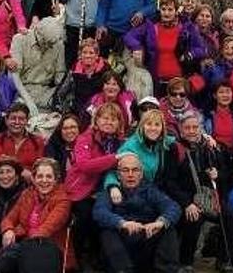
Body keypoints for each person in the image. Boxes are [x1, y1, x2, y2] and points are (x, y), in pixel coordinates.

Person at [93, 153, 181, 273]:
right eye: (125, 170)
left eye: (135, 170)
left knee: (168, 228)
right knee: (107, 232)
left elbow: (173, 207)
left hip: (146, 235)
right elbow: (99, 212)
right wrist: (122, 223)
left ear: (141, 174)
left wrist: (160, 222)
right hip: (121, 240)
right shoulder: (109, 192)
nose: (130, 175)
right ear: (118, 175)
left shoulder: (150, 190)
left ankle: (167, 270)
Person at [65, 102, 125, 267]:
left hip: (103, 188)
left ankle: (101, 258)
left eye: (114, 119)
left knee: (110, 216)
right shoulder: (85, 138)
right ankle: (79, 260)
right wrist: (114, 158)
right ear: (96, 120)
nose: (109, 122)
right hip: (81, 189)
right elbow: (85, 165)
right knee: (84, 217)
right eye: (105, 118)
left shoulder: (120, 142)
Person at [163, 111, 221, 268]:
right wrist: (187, 203)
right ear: (181, 130)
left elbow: (218, 169)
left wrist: (216, 173)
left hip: (203, 196)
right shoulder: (174, 149)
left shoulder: (207, 147)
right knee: (193, 219)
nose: (192, 131)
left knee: (228, 216)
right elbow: (169, 182)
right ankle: (185, 263)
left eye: (195, 127)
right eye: (187, 128)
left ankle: (223, 261)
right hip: (182, 197)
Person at [0, 157, 74, 273]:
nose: (44, 180)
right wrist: (8, 230)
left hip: (50, 247)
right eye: (40, 176)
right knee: (6, 261)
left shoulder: (62, 199)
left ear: (56, 179)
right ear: (33, 178)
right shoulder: (27, 194)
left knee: (28, 260)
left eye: (49, 176)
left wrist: (23, 246)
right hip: (26, 244)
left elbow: (47, 228)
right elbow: (9, 218)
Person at [124, 0, 206, 98]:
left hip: (179, 82)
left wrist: (190, 54)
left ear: (176, 11)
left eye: (170, 9)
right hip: (157, 81)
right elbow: (129, 36)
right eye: (163, 9)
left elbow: (201, 49)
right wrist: (137, 47)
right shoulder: (151, 27)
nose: (166, 13)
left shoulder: (187, 28)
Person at [104, 109, 172, 201]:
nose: (153, 128)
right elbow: (113, 170)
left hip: (153, 192)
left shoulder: (164, 143)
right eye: (149, 124)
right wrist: (113, 187)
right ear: (142, 126)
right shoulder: (130, 147)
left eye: (157, 125)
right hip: (131, 194)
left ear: (162, 128)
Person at [9, 15, 66, 113]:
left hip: (47, 94)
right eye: (47, 42)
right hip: (23, 92)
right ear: (38, 33)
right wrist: (29, 102)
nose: (49, 46)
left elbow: (59, 78)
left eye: (51, 44)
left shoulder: (57, 44)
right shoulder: (20, 40)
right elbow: (14, 76)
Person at [0, 103, 45, 182]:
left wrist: (10, 160)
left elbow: (39, 169)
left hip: (30, 185)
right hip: (3, 185)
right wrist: (24, 169)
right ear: (6, 120)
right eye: (13, 118)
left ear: (27, 120)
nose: (17, 122)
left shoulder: (37, 141)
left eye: (21, 119)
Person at [70, 38, 110, 118]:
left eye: (91, 53)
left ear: (97, 55)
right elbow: (64, 90)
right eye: (84, 52)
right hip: (78, 108)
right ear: (80, 54)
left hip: (100, 108)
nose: (88, 56)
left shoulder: (106, 70)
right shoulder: (74, 69)